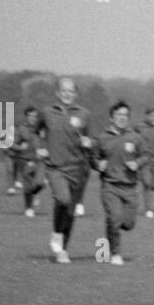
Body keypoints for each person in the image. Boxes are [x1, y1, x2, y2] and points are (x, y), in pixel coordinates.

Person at [35, 77, 94, 263]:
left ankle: (62, 249)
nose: (67, 94)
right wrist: (39, 146)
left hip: (77, 168)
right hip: (55, 167)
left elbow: (90, 139)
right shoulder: (47, 112)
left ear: (75, 94)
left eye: (71, 91)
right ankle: (56, 234)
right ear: (58, 93)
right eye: (64, 90)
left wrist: (89, 143)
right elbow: (36, 132)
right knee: (63, 199)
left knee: (69, 212)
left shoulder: (84, 114)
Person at [93, 102, 145, 265]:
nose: (122, 119)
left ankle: (106, 239)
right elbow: (93, 157)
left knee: (128, 224)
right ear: (111, 117)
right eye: (118, 115)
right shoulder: (102, 138)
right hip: (110, 186)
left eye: (125, 116)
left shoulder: (135, 137)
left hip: (130, 187)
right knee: (115, 218)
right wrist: (97, 164)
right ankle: (114, 254)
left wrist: (137, 163)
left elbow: (145, 156)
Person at [137, 109, 154, 219]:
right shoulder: (139, 126)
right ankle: (148, 209)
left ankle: (151, 204)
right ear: (146, 116)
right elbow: (133, 138)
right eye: (151, 116)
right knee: (147, 183)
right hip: (145, 158)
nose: (153, 118)